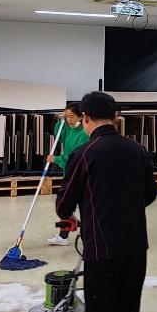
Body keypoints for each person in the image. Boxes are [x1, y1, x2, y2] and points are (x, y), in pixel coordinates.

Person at [56, 92, 157, 312]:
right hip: (136, 248)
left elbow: (63, 205)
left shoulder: (84, 153)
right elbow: (149, 194)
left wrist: (81, 214)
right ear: (115, 118)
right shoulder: (137, 150)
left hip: (101, 252)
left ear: (85, 118)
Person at [45, 103, 90, 246]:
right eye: (67, 117)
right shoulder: (69, 128)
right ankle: (64, 235)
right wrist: (61, 120)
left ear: (81, 117)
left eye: (72, 117)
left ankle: (84, 231)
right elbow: (58, 134)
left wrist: (57, 159)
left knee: (70, 204)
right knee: (65, 205)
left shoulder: (84, 134)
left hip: (80, 175)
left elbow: (75, 158)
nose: (69, 120)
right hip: (69, 173)